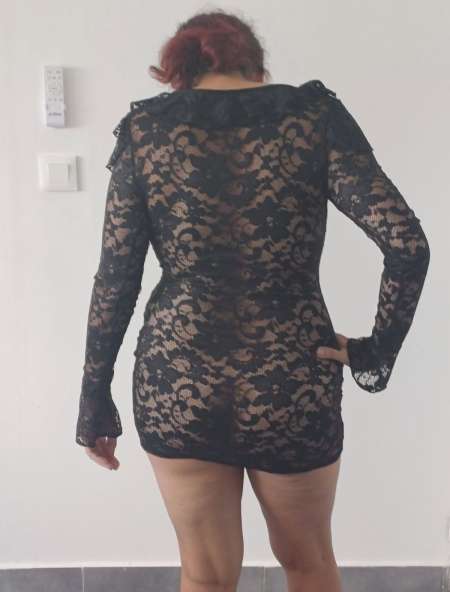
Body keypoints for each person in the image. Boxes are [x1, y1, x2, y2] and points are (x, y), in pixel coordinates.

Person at [75, 9, 430, 592]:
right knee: (309, 563)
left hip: (179, 377)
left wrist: (94, 398)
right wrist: (375, 352)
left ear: (180, 71)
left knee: (206, 575)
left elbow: (115, 280)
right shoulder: (312, 119)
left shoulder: (147, 131)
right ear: (255, 65)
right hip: (290, 378)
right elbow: (407, 246)